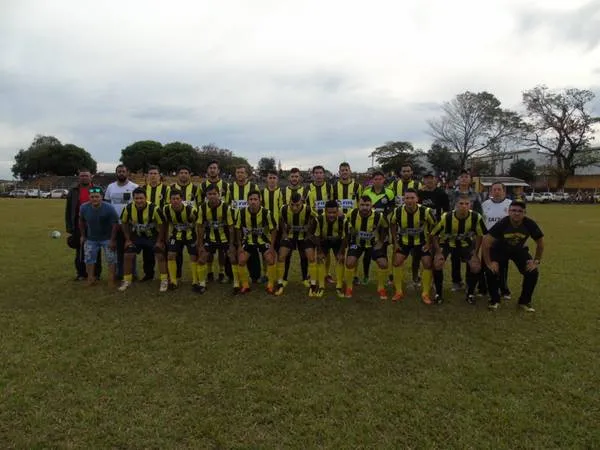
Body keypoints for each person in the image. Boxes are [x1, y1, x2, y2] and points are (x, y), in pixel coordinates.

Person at [482, 200, 544, 312]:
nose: (516, 213)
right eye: (513, 210)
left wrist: (536, 261)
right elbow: (486, 243)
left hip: (518, 250)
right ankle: (494, 300)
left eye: (520, 211)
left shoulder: (529, 224)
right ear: (509, 212)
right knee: (491, 271)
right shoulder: (502, 224)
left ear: (524, 213)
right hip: (499, 250)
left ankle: (524, 301)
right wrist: (489, 263)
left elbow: (540, 243)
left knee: (532, 272)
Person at [431, 194, 487, 304]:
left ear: (470, 205)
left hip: (465, 244)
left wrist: (475, 253)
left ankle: (470, 294)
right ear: (455, 205)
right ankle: (438, 293)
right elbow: (434, 235)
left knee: (475, 266)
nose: (464, 206)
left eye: (467, 204)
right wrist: (438, 252)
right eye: (461, 203)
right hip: (446, 244)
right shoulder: (446, 217)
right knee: (437, 263)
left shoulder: (476, 217)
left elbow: (480, 235)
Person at [389, 188, 437, 304]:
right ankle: (398, 291)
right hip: (404, 242)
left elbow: (434, 226)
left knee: (427, 263)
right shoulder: (398, 211)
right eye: (407, 198)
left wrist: (429, 243)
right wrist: (395, 242)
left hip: (421, 242)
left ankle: (425, 293)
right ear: (403, 199)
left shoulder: (425, 211)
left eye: (412, 198)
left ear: (417, 199)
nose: (409, 200)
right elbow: (392, 224)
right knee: (396, 262)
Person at [118, 188, 168, 292]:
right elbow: (124, 222)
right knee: (128, 254)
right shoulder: (128, 208)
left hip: (152, 236)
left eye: (141, 198)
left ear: (146, 198)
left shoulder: (154, 208)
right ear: (133, 198)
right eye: (136, 198)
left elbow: (162, 224)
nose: (139, 201)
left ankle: (164, 280)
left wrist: (159, 241)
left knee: (159, 253)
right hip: (137, 236)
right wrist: (127, 239)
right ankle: (127, 280)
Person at [344, 196, 389, 300]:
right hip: (357, 243)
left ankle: (381, 288)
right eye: (362, 205)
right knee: (349, 263)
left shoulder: (379, 216)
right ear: (358, 205)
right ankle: (349, 287)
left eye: (367, 205)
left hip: (373, 244)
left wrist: (381, 242)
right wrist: (350, 229)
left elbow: (385, 227)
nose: (364, 207)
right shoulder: (352, 213)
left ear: (371, 206)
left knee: (383, 263)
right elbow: (345, 223)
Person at [274, 193, 317, 296]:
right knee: (282, 256)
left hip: (304, 236)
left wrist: (310, 233)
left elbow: (315, 219)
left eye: (297, 205)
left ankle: (310, 282)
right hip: (290, 236)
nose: (294, 208)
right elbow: (280, 219)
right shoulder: (283, 209)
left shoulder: (308, 209)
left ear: (302, 202)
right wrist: (284, 232)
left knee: (309, 257)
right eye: (292, 204)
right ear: (289, 202)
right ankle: (281, 282)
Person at [234, 191, 278, 294]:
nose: (253, 202)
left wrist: (272, 247)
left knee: (270, 259)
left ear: (260, 201)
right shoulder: (241, 212)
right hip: (248, 241)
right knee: (241, 260)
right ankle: (245, 285)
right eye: (251, 199)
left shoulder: (266, 213)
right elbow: (237, 229)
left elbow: (273, 230)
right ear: (247, 201)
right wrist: (240, 246)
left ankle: (270, 285)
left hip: (263, 241)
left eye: (255, 199)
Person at [197, 185, 237, 292]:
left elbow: (231, 227)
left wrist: (232, 245)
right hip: (210, 238)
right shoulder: (202, 207)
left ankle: (236, 283)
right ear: (206, 196)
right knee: (202, 259)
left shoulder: (226, 207)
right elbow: (200, 226)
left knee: (232, 258)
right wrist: (200, 244)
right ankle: (201, 284)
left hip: (224, 238)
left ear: (219, 195)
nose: (212, 196)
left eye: (214, 194)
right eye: (210, 194)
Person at [450, 169, 483, 292]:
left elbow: (479, 213)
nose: (464, 179)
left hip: (470, 232)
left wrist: (476, 230)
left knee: (470, 257)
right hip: (454, 231)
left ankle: (470, 283)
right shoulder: (451, 194)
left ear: (470, 180)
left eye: (466, 177)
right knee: (455, 258)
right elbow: (447, 211)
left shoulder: (476, 195)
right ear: (458, 179)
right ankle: (456, 282)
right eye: (462, 176)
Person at [78, 187, 119, 287]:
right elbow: (81, 221)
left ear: (102, 197)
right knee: (89, 259)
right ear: (89, 197)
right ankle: (90, 278)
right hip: (91, 238)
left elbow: (115, 224)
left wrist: (113, 240)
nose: (94, 199)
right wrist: (83, 236)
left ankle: (111, 280)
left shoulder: (109, 208)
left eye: (97, 197)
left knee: (111, 259)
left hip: (107, 238)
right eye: (92, 197)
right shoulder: (84, 207)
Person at [65, 168, 102, 280]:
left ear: (91, 177)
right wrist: (69, 226)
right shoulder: (74, 191)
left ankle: (96, 274)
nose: (84, 177)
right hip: (78, 224)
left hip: (95, 224)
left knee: (96, 249)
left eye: (86, 175)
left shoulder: (97, 189)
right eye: (82, 176)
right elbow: (68, 210)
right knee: (80, 250)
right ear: (79, 177)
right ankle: (81, 273)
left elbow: (103, 206)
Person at [160, 189, 200, 292]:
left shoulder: (191, 210)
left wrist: (199, 239)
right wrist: (165, 238)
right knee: (170, 255)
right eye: (173, 199)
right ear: (170, 200)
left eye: (177, 199)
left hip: (190, 235)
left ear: (182, 199)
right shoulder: (165, 210)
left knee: (193, 256)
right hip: (175, 235)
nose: (175, 201)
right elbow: (165, 224)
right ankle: (173, 281)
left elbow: (199, 225)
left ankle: (195, 281)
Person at [104, 165, 139, 280]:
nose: (121, 173)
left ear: (127, 172)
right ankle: (120, 273)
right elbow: (107, 204)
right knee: (118, 250)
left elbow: (139, 204)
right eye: (119, 172)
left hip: (130, 224)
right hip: (115, 224)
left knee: (130, 249)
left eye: (123, 171)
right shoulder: (110, 187)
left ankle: (132, 273)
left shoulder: (134, 187)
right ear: (116, 173)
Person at [361, 171, 395, 285]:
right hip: (369, 226)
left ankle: (386, 276)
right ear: (372, 180)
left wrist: (382, 217)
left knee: (383, 251)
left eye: (380, 179)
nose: (378, 181)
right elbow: (363, 206)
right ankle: (366, 276)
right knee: (367, 252)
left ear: (384, 179)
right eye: (376, 179)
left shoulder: (389, 193)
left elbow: (391, 208)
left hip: (383, 226)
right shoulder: (366, 191)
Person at [229, 166, 261, 282]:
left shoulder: (253, 187)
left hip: (250, 224)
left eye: (242, 172)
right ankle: (232, 275)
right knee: (234, 248)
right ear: (235, 174)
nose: (240, 174)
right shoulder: (230, 187)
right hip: (234, 223)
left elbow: (257, 203)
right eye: (238, 172)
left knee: (252, 249)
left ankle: (255, 276)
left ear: (247, 174)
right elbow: (228, 204)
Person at [481, 182, 513, 299]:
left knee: (503, 266)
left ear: (504, 191)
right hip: (488, 240)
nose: (497, 192)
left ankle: (504, 289)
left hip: (504, 241)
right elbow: (482, 223)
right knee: (486, 264)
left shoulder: (510, 204)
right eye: (494, 190)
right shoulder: (485, 204)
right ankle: (483, 288)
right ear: (491, 192)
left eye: (499, 189)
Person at [314, 200, 347, 297]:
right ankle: (321, 286)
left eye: (334, 212)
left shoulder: (343, 220)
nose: (332, 215)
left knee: (340, 259)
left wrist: (341, 252)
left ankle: (339, 285)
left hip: (338, 241)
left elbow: (345, 237)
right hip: (324, 240)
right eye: (329, 212)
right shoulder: (319, 219)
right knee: (319, 259)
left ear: (338, 211)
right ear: (325, 211)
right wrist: (319, 251)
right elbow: (316, 236)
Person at [141, 165, 169, 280]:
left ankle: (165, 275)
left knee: (163, 249)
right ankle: (148, 274)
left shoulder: (166, 189)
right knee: (147, 251)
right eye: (151, 173)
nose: (153, 176)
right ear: (147, 176)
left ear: (159, 176)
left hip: (161, 224)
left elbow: (167, 206)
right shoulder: (143, 189)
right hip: (147, 225)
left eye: (155, 173)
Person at [282, 167, 309, 286]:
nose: (294, 178)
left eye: (296, 176)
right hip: (289, 230)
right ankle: (284, 278)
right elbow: (282, 211)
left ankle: (304, 279)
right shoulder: (283, 192)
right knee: (286, 255)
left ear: (300, 178)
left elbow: (309, 211)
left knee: (304, 255)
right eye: (292, 176)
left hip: (303, 231)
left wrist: (308, 229)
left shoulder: (307, 192)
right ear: (289, 177)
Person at [170, 166, 198, 281]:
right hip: (176, 228)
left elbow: (199, 205)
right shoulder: (171, 188)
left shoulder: (196, 189)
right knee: (176, 253)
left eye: (186, 173)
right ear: (178, 174)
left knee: (193, 254)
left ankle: (196, 279)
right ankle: (176, 275)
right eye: (181, 172)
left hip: (191, 227)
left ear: (189, 175)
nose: (183, 175)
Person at [261, 170, 284, 283]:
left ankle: (276, 274)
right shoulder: (262, 192)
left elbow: (282, 211)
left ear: (277, 180)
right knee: (265, 251)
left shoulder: (280, 192)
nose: (272, 180)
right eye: (270, 178)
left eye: (274, 178)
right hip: (265, 228)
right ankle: (266, 273)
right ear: (267, 179)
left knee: (278, 251)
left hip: (277, 227)